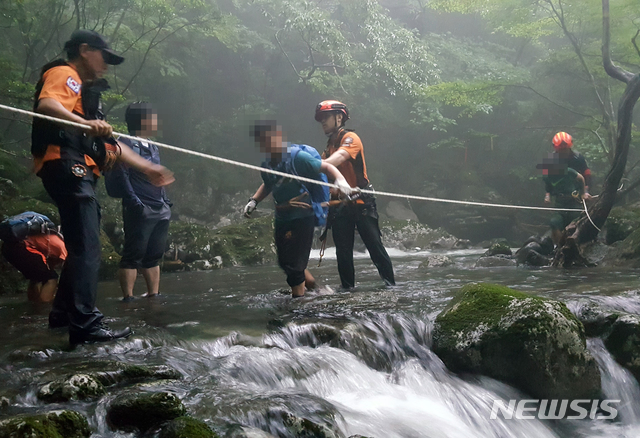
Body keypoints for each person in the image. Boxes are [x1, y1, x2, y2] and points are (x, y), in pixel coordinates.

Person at [31, 29, 174, 344]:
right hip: (66, 166)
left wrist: (149, 167)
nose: (107, 65)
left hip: (75, 170)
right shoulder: (65, 74)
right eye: (104, 56)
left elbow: (112, 146)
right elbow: (47, 105)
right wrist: (86, 124)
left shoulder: (84, 93)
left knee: (84, 243)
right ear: (84, 50)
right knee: (87, 247)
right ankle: (85, 324)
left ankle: (63, 314)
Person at [244, 120, 352, 297]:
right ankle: (314, 287)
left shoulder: (297, 157)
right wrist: (254, 201)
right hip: (282, 216)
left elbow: (326, 166)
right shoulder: (267, 164)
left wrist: (340, 180)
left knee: (294, 265)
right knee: (284, 261)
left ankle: (298, 304)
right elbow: (268, 184)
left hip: (302, 215)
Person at [314, 100, 395, 289]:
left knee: (374, 246)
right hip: (341, 206)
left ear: (339, 117)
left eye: (326, 117)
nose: (323, 122)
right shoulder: (327, 149)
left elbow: (338, 159)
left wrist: (315, 165)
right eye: (321, 119)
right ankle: (347, 290)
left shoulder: (351, 139)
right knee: (343, 251)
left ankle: (391, 286)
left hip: (361, 202)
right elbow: (324, 179)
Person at [105, 102, 171, 302]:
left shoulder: (153, 145)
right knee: (133, 254)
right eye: (153, 117)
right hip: (139, 207)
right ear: (143, 120)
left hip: (159, 207)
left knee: (154, 254)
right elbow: (121, 175)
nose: (156, 121)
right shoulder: (124, 143)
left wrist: (166, 202)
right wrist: (134, 202)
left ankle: (154, 295)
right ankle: (129, 298)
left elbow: (158, 176)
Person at [0, 213, 67, 303]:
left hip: (7, 248)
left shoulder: (50, 237)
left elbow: (49, 265)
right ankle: (43, 306)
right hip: (22, 248)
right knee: (51, 278)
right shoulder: (62, 246)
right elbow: (70, 270)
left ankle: (33, 303)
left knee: (36, 277)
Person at [539, 154, 587, 245]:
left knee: (576, 224)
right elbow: (548, 189)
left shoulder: (568, 171)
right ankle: (560, 247)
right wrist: (547, 196)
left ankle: (576, 246)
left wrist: (583, 193)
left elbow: (581, 178)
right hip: (560, 205)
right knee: (554, 222)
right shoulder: (547, 176)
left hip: (574, 203)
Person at [551, 132, 593, 200]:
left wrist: (585, 192)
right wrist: (548, 195)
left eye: (565, 149)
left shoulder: (578, 158)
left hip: (579, 195)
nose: (563, 152)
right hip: (560, 198)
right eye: (560, 149)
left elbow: (587, 175)